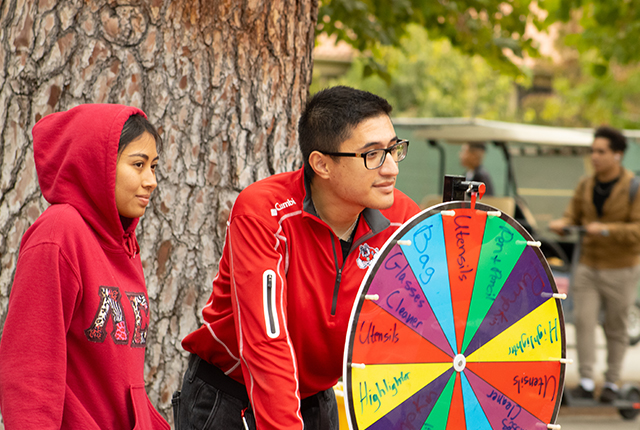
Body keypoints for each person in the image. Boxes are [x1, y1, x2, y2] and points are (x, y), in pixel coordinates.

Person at [172, 86, 421, 430]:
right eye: (373, 155)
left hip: (316, 398)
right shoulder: (264, 212)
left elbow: (424, 327)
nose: (391, 168)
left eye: (394, 149)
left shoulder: (405, 221)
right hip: (231, 395)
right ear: (321, 164)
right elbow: (265, 341)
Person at [0, 104, 170, 429]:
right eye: (138, 165)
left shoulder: (124, 245)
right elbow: (29, 367)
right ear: (99, 165)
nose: (151, 181)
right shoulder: (59, 233)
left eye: (154, 166)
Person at [549, 125, 640, 403]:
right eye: (593, 151)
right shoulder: (586, 184)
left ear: (618, 155)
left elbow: (637, 230)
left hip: (621, 267)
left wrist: (605, 229)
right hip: (588, 265)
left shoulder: (633, 186)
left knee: (616, 326)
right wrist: (563, 225)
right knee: (583, 322)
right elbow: (571, 215)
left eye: (601, 152)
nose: (595, 157)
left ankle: (612, 381)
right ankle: (587, 381)